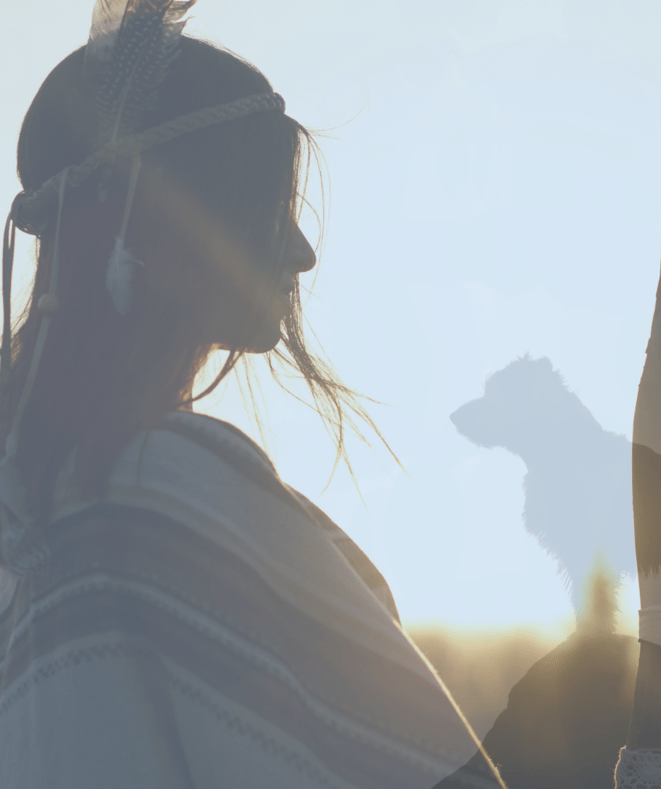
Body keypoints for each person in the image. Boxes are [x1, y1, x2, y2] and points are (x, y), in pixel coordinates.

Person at [0, 3, 506, 787]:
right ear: (161, 221)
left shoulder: (36, 498)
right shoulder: (160, 480)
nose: (302, 251)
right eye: (266, 204)